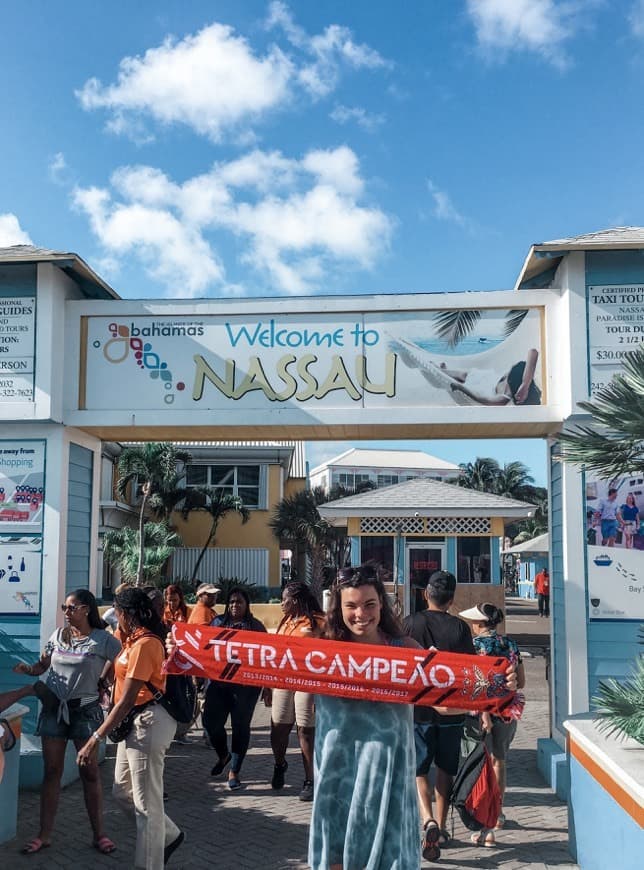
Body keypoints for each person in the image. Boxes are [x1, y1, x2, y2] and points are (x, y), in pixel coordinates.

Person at [309, 564, 422, 870]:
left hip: (389, 783)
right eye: (351, 606)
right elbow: (254, 665)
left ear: (381, 605)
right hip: (337, 783)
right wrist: (187, 651)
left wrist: (498, 683)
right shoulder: (319, 653)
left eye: (369, 604)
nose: (361, 614)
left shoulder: (407, 652)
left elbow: (448, 700)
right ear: (338, 608)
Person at [76, 586, 185, 870]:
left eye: (118, 612)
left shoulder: (147, 643)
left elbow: (125, 701)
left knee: (147, 807)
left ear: (127, 614)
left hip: (148, 723)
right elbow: (114, 665)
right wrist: (102, 681)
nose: (115, 618)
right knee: (122, 792)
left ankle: (150, 865)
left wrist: (95, 739)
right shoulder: (129, 640)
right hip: (132, 724)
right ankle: (170, 835)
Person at [13, 589, 121, 855]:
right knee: (51, 773)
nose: (66, 612)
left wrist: (105, 680)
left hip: (85, 712)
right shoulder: (58, 636)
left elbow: (123, 662)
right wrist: (29, 670)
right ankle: (44, 835)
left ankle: (100, 835)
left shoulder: (103, 640)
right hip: (53, 710)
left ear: (86, 609)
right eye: (64, 607)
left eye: (71, 607)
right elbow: (42, 666)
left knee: (90, 772)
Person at [403, 570, 477, 859]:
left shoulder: (410, 624)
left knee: (419, 769)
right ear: (452, 599)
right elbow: (471, 671)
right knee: (446, 767)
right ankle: (443, 826)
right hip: (452, 710)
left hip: (419, 710)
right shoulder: (460, 629)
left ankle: (427, 820)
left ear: (425, 595)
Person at [458, 603, 526, 835]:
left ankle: (481, 816)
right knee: (500, 762)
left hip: (480, 714)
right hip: (506, 711)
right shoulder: (510, 644)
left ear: (479, 623)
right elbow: (521, 681)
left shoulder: (474, 647)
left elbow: (474, 685)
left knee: (479, 764)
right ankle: (498, 813)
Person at [264, 580, 325, 802]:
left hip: (308, 682)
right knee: (278, 728)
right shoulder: (285, 622)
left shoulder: (319, 622)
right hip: (282, 681)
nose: (281, 604)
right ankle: (280, 763)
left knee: (306, 731)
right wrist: (267, 684)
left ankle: (310, 780)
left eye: (285, 600)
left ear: (296, 600)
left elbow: (331, 652)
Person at [202, 587, 267, 789]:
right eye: (231, 602)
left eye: (239, 601)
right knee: (211, 725)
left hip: (245, 688)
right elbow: (205, 648)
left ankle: (234, 771)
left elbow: (266, 657)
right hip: (218, 685)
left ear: (246, 604)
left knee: (240, 727)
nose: (234, 605)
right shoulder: (217, 623)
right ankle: (223, 755)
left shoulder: (256, 627)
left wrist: (268, 686)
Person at [445, 348, 541, 406]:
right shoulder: (523, 380)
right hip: (491, 378)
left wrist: (461, 388)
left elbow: (483, 399)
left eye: (508, 376)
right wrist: (525, 384)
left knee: (464, 380)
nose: (506, 374)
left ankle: (445, 373)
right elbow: (533, 352)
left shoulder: (504, 398)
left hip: (485, 390)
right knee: (465, 375)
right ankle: (444, 371)